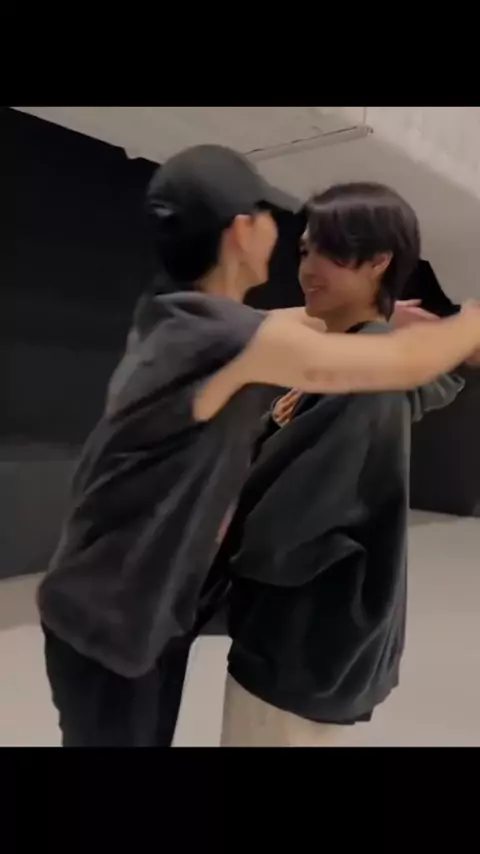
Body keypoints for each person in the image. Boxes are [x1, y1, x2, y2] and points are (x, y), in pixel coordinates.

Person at [38, 150, 480, 747]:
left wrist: (375, 320)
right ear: (243, 231)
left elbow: (283, 328)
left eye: (330, 251)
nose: (303, 259)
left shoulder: (179, 318)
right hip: (117, 620)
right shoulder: (229, 339)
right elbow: (398, 362)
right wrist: (470, 322)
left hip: (123, 607)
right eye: (293, 237)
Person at [217, 182, 470, 747]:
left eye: (333, 252)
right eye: (305, 250)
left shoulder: (362, 375)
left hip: (299, 645)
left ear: (379, 261)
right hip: (319, 642)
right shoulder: (365, 357)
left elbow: (286, 527)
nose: (309, 268)